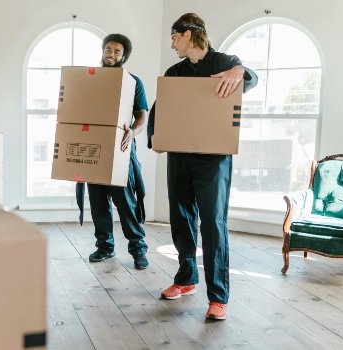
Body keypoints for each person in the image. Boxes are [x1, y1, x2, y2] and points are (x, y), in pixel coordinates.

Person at [146, 13, 258, 320]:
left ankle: (218, 297)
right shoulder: (174, 72)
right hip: (179, 157)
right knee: (181, 220)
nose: (172, 45)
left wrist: (240, 71)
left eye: (174, 38)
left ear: (187, 34)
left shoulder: (225, 63)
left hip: (213, 161)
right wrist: (154, 137)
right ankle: (186, 279)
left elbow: (252, 79)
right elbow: (159, 107)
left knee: (212, 224)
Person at [75, 33, 149, 270]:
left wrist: (132, 132)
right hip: (94, 147)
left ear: (123, 56)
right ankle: (105, 246)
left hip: (120, 148)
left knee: (125, 202)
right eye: (109, 49)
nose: (111, 54)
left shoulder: (133, 82)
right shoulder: (90, 79)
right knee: (98, 202)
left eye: (117, 51)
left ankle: (138, 249)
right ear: (103, 50)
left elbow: (142, 116)